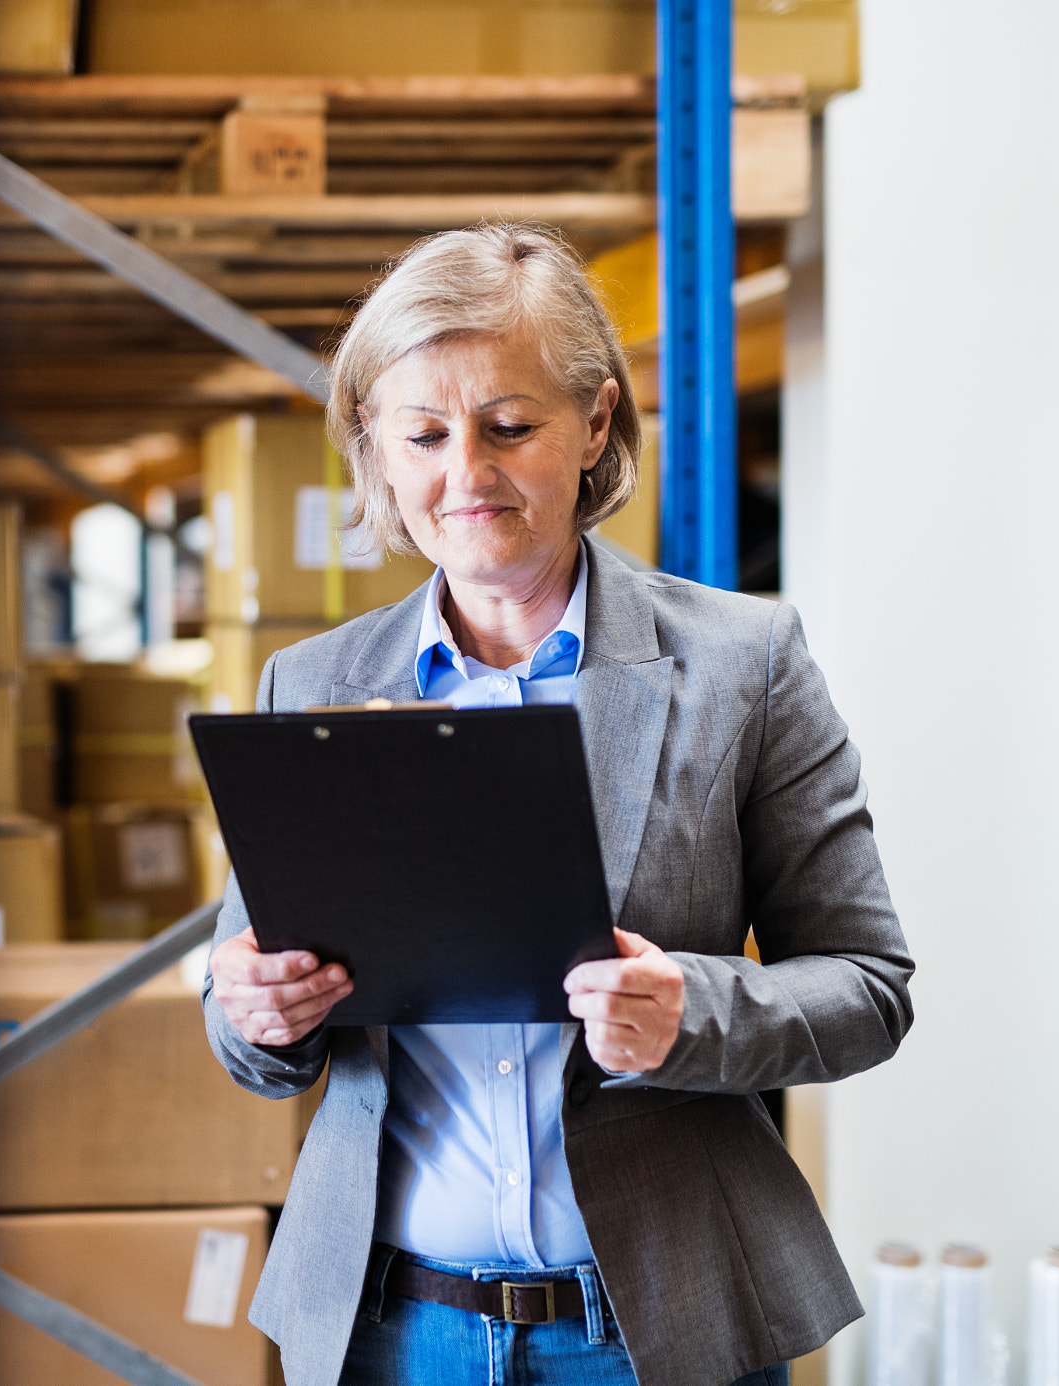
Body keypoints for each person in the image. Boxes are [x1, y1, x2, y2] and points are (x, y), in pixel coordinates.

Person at [201, 223, 913, 1386]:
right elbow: (247, 1027)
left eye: (509, 427)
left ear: (592, 423)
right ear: (374, 449)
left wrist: (690, 1011)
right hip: (393, 1330)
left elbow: (865, 989)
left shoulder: (743, 661)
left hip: (653, 1327)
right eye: (421, 435)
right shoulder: (312, 684)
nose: (464, 477)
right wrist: (254, 1011)